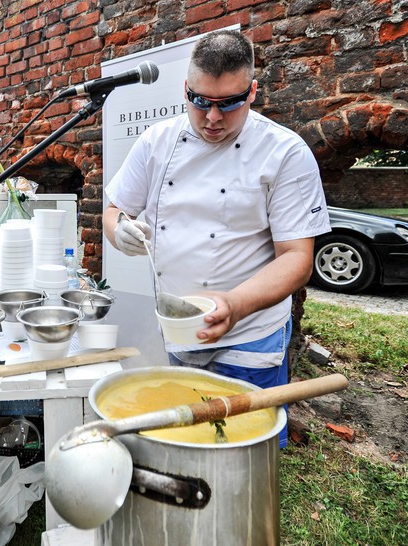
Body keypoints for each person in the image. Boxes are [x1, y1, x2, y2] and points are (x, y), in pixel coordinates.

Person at [103, 30, 331, 448]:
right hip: (180, 325)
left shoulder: (285, 152)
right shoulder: (156, 141)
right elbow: (114, 209)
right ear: (185, 88)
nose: (212, 117)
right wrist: (120, 230)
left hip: (251, 333)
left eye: (229, 103)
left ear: (253, 91)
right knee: (189, 440)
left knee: (244, 446)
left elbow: (298, 257)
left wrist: (236, 304)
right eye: (200, 101)